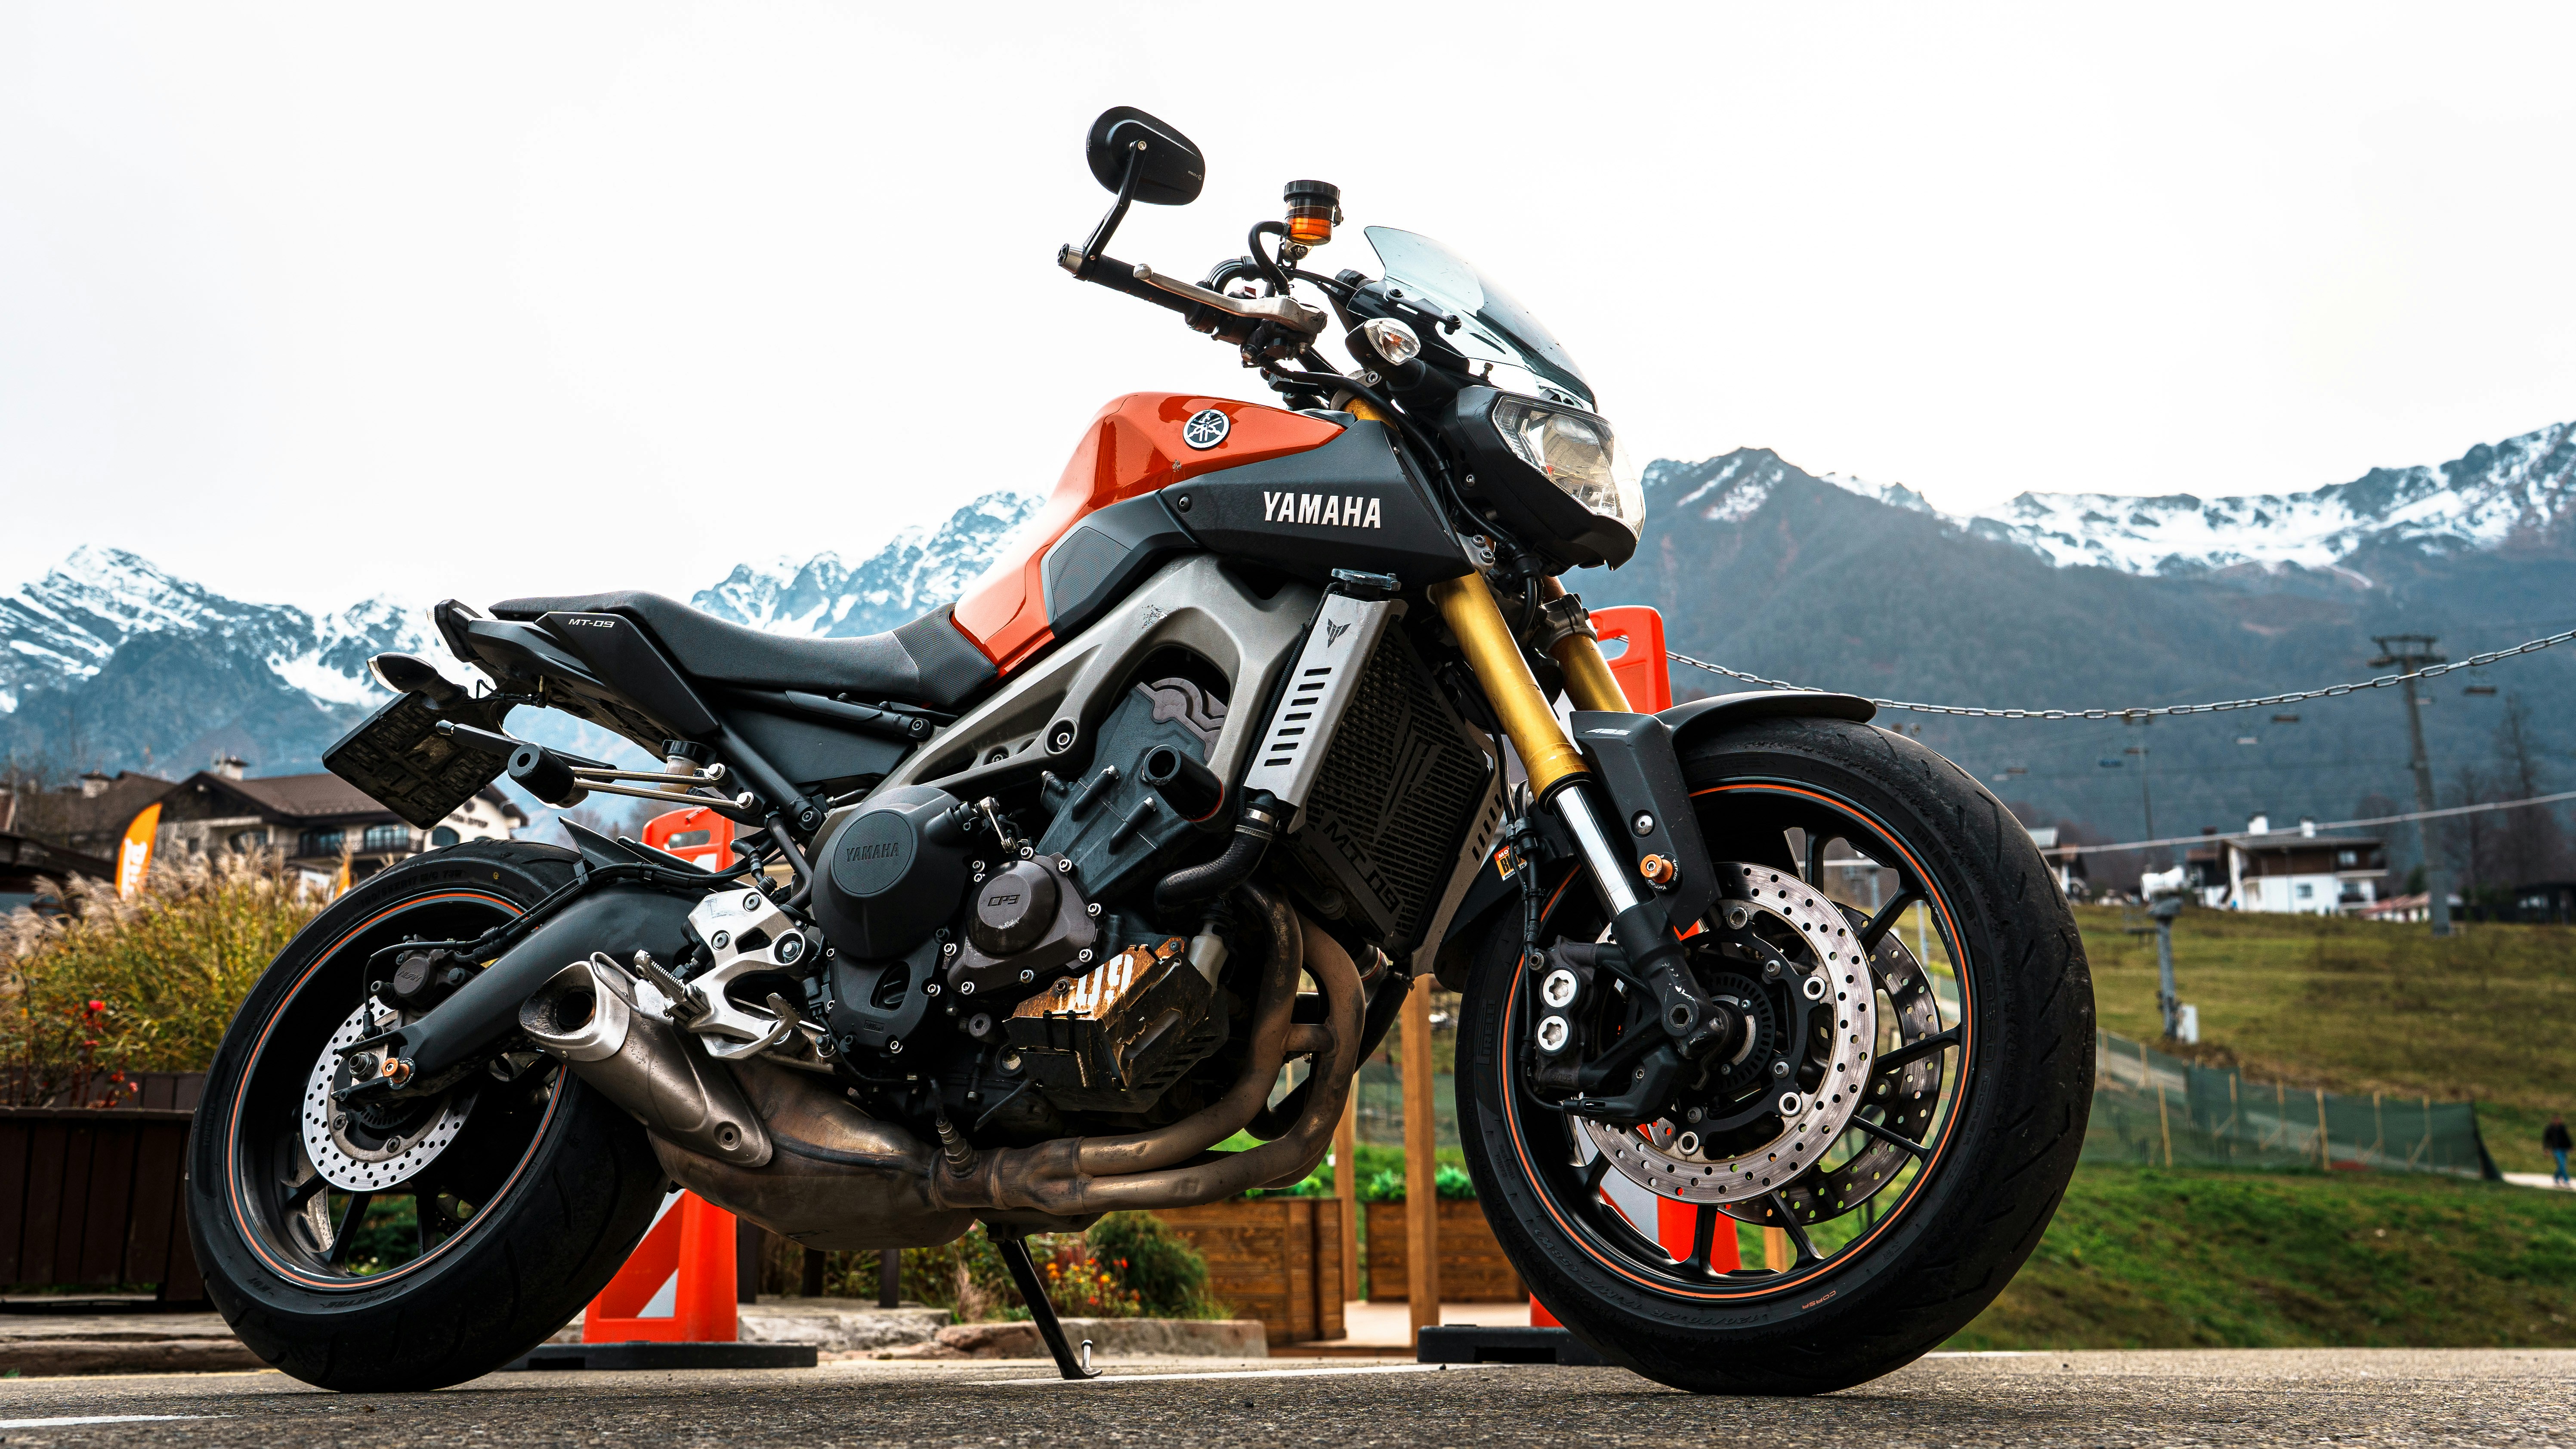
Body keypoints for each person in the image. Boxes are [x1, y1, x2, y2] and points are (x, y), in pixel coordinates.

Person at [2547, 1116, 2573, 1188]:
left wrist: (2570, 1146)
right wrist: (2546, 1149)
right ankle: (2566, 1180)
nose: (2557, 1122)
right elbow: (2547, 1139)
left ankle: (2556, 1178)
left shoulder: (2562, 1128)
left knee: (2562, 1165)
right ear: (2554, 1121)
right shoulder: (2551, 1129)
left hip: (2564, 1149)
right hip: (2556, 1149)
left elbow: (2567, 1138)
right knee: (2562, 1164)